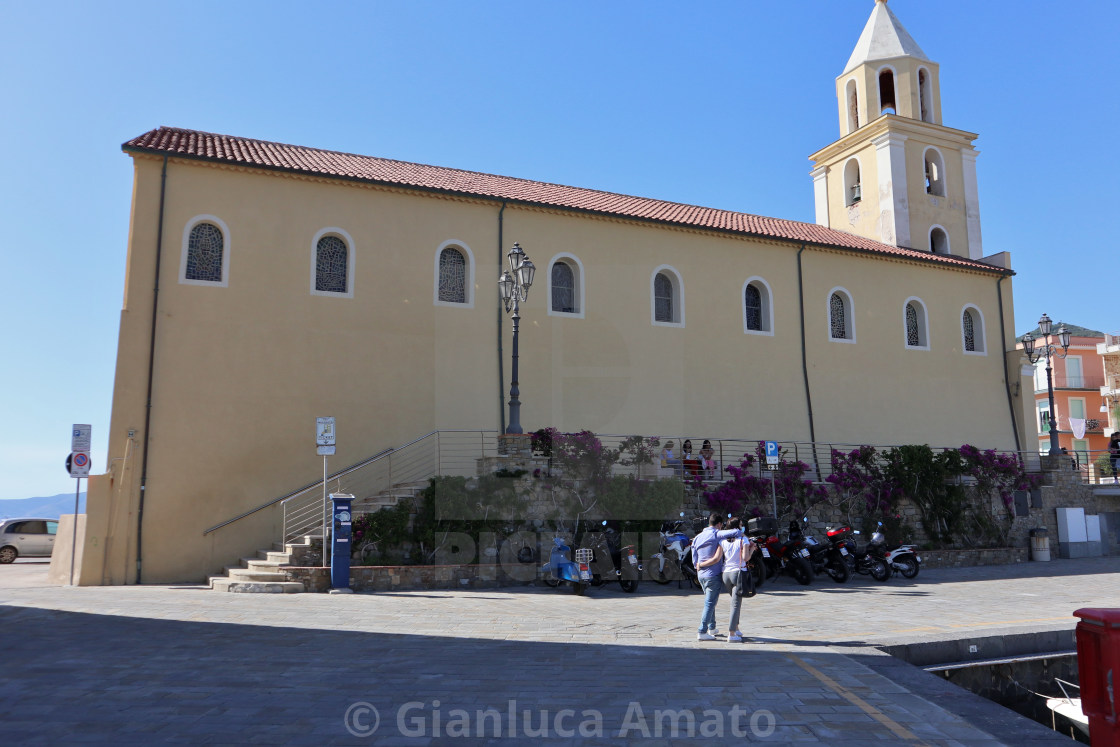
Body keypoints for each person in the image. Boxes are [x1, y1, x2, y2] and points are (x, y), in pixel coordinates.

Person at [692, 513, 744, 640]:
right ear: (719, 524)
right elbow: (737, 533)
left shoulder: (697, 537)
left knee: (710, 601)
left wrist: (700, 565)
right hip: (713, 575)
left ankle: (712, 627)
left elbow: (695, 562)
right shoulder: (716, 533)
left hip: (701, 575)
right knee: (710, 603)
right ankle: (702, 631)